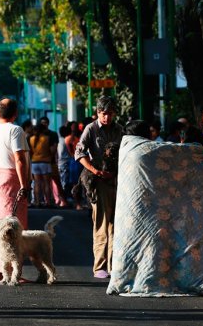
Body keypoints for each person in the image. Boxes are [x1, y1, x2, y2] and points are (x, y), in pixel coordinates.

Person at [0, 97, 30, 283]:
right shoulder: (15, 130)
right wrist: (24, 184)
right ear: (15, 114)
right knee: (15, 226)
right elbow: (19, 159)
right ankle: (12, 272)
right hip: (12, 178)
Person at [75, 95, 123, 279]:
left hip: (117, 180)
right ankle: (99, 266)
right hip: (98, 182)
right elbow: (79, 153)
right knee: (102, 224)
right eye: (103, 114)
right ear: (97, 113)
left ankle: (114, 265)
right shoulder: (91, 128)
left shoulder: (119, 130)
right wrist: (95, 171)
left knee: (116, 226)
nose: (107, 117)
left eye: (110, 114)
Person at [29, 123, 53, 207]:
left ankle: (37, 202)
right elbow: (52, 150)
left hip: (35, 162)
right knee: (46, 183)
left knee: (37, 183)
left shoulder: (31, 139)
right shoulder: (46, 138)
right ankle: (48, 202)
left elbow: (30, 152)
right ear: (43, 130)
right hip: (45, 162)